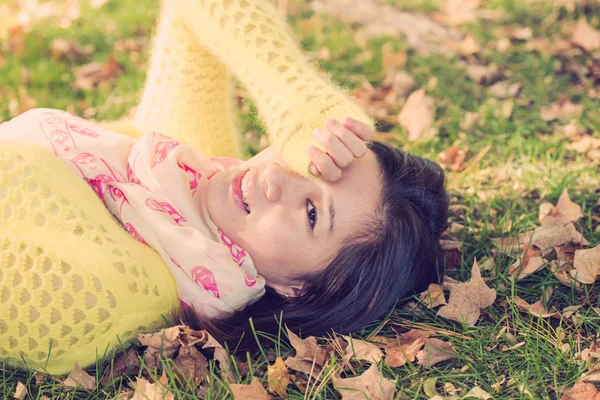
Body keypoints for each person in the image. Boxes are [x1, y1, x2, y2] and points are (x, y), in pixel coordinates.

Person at [0, 0, 449, 374]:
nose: (275, 177)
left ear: (300, 289)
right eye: (307, 160)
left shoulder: (119, 289)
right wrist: (294, 95)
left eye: (311, 212)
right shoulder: (192, 169)